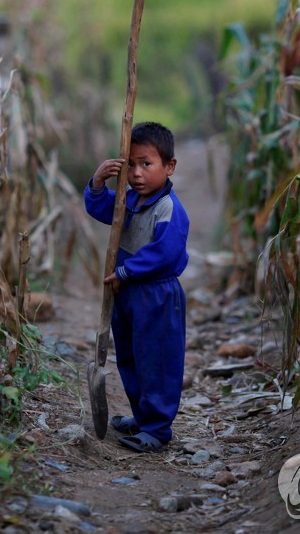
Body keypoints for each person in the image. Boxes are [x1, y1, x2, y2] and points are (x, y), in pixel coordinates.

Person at [84, 121, 190, 452]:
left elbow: (164, 252)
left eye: (146, 164)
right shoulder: (128, 202)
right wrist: (99, 182)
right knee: (131, 356)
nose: (136, 173)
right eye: (130, 164)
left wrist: (127, 271)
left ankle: (157, 429)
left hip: (156, 294)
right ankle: (142, 417)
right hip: (127, 294)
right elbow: (103, 209)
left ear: (169, 166)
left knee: (156, 359)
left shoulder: (168, 209)